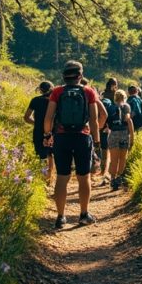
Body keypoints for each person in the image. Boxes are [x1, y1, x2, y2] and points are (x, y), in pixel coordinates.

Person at [43, 61, 102, 229]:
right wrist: (97, 142)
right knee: (84, 177)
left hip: (62, 138)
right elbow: (94, 120)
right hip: (82, 138)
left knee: (62, 177)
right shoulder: (88, 91)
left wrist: (47, 135)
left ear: (64, 75)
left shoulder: (57, 92)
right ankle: (84, 214)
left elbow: (48, 118)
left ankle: (60, 217)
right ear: (80, 75)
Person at [24, 81, 55, 193]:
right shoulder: (54, 101)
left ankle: (44, 180)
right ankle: (50, 179)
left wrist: (36, 123)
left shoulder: (35, 100)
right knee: (51, 154)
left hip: (38, 131)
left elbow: (26, 117)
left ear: (40, 90)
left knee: (42, 155)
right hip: (52, 130)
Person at [107, 89, 135, 191]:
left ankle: (112, 179)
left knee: (114, 159)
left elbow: (107, 123)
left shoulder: (110, 107)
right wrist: (132, 138)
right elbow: (129, 120)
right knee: (122, 158)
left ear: (115, 98)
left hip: (113, 134)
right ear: (124, 97)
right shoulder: (126, 106)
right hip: (124, 134)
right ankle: (119, 178)